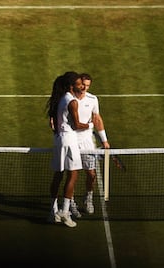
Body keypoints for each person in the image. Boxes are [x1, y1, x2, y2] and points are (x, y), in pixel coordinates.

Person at [46, 72, 93, 227]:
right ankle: (65, 212)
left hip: (59, 139)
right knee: (73, 174)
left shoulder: (61, 98)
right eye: (79, 84)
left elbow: (53, 123)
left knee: (58, 175)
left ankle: (53, 212)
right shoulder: (73, 102)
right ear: (72, 86)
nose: (82, 86)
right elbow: (77, 125)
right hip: (69, 139)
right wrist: (90, 125)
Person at [70, 73, 110, 217]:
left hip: (87, 142)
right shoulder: (69, 99)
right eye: (83, 85)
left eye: (87, 86)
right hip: (72, 140)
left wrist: (104, 140)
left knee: (91, 174)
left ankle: (88, 197)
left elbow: (97, 119)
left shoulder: (93, 99)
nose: (84, 88)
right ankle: (71, 202)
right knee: (72, 175)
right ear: (78, 84)